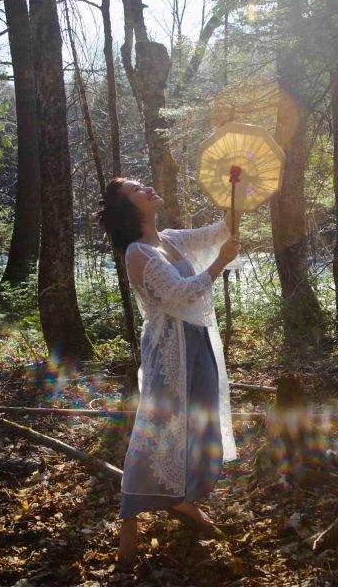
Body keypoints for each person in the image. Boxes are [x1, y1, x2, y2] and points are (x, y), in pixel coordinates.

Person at [98, 177, 241, 565]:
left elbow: (218, 230)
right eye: (137, 189)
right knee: (159, 430)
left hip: (197, 343)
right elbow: (179, 294)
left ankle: (182, 500)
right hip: (169, 351)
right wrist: (221, 262)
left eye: (144, 183)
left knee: (200, 425)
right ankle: (130, 520)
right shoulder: (137, 253)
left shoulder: (171, 238)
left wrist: (238, 194)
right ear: (129, 208)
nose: (147, 188)